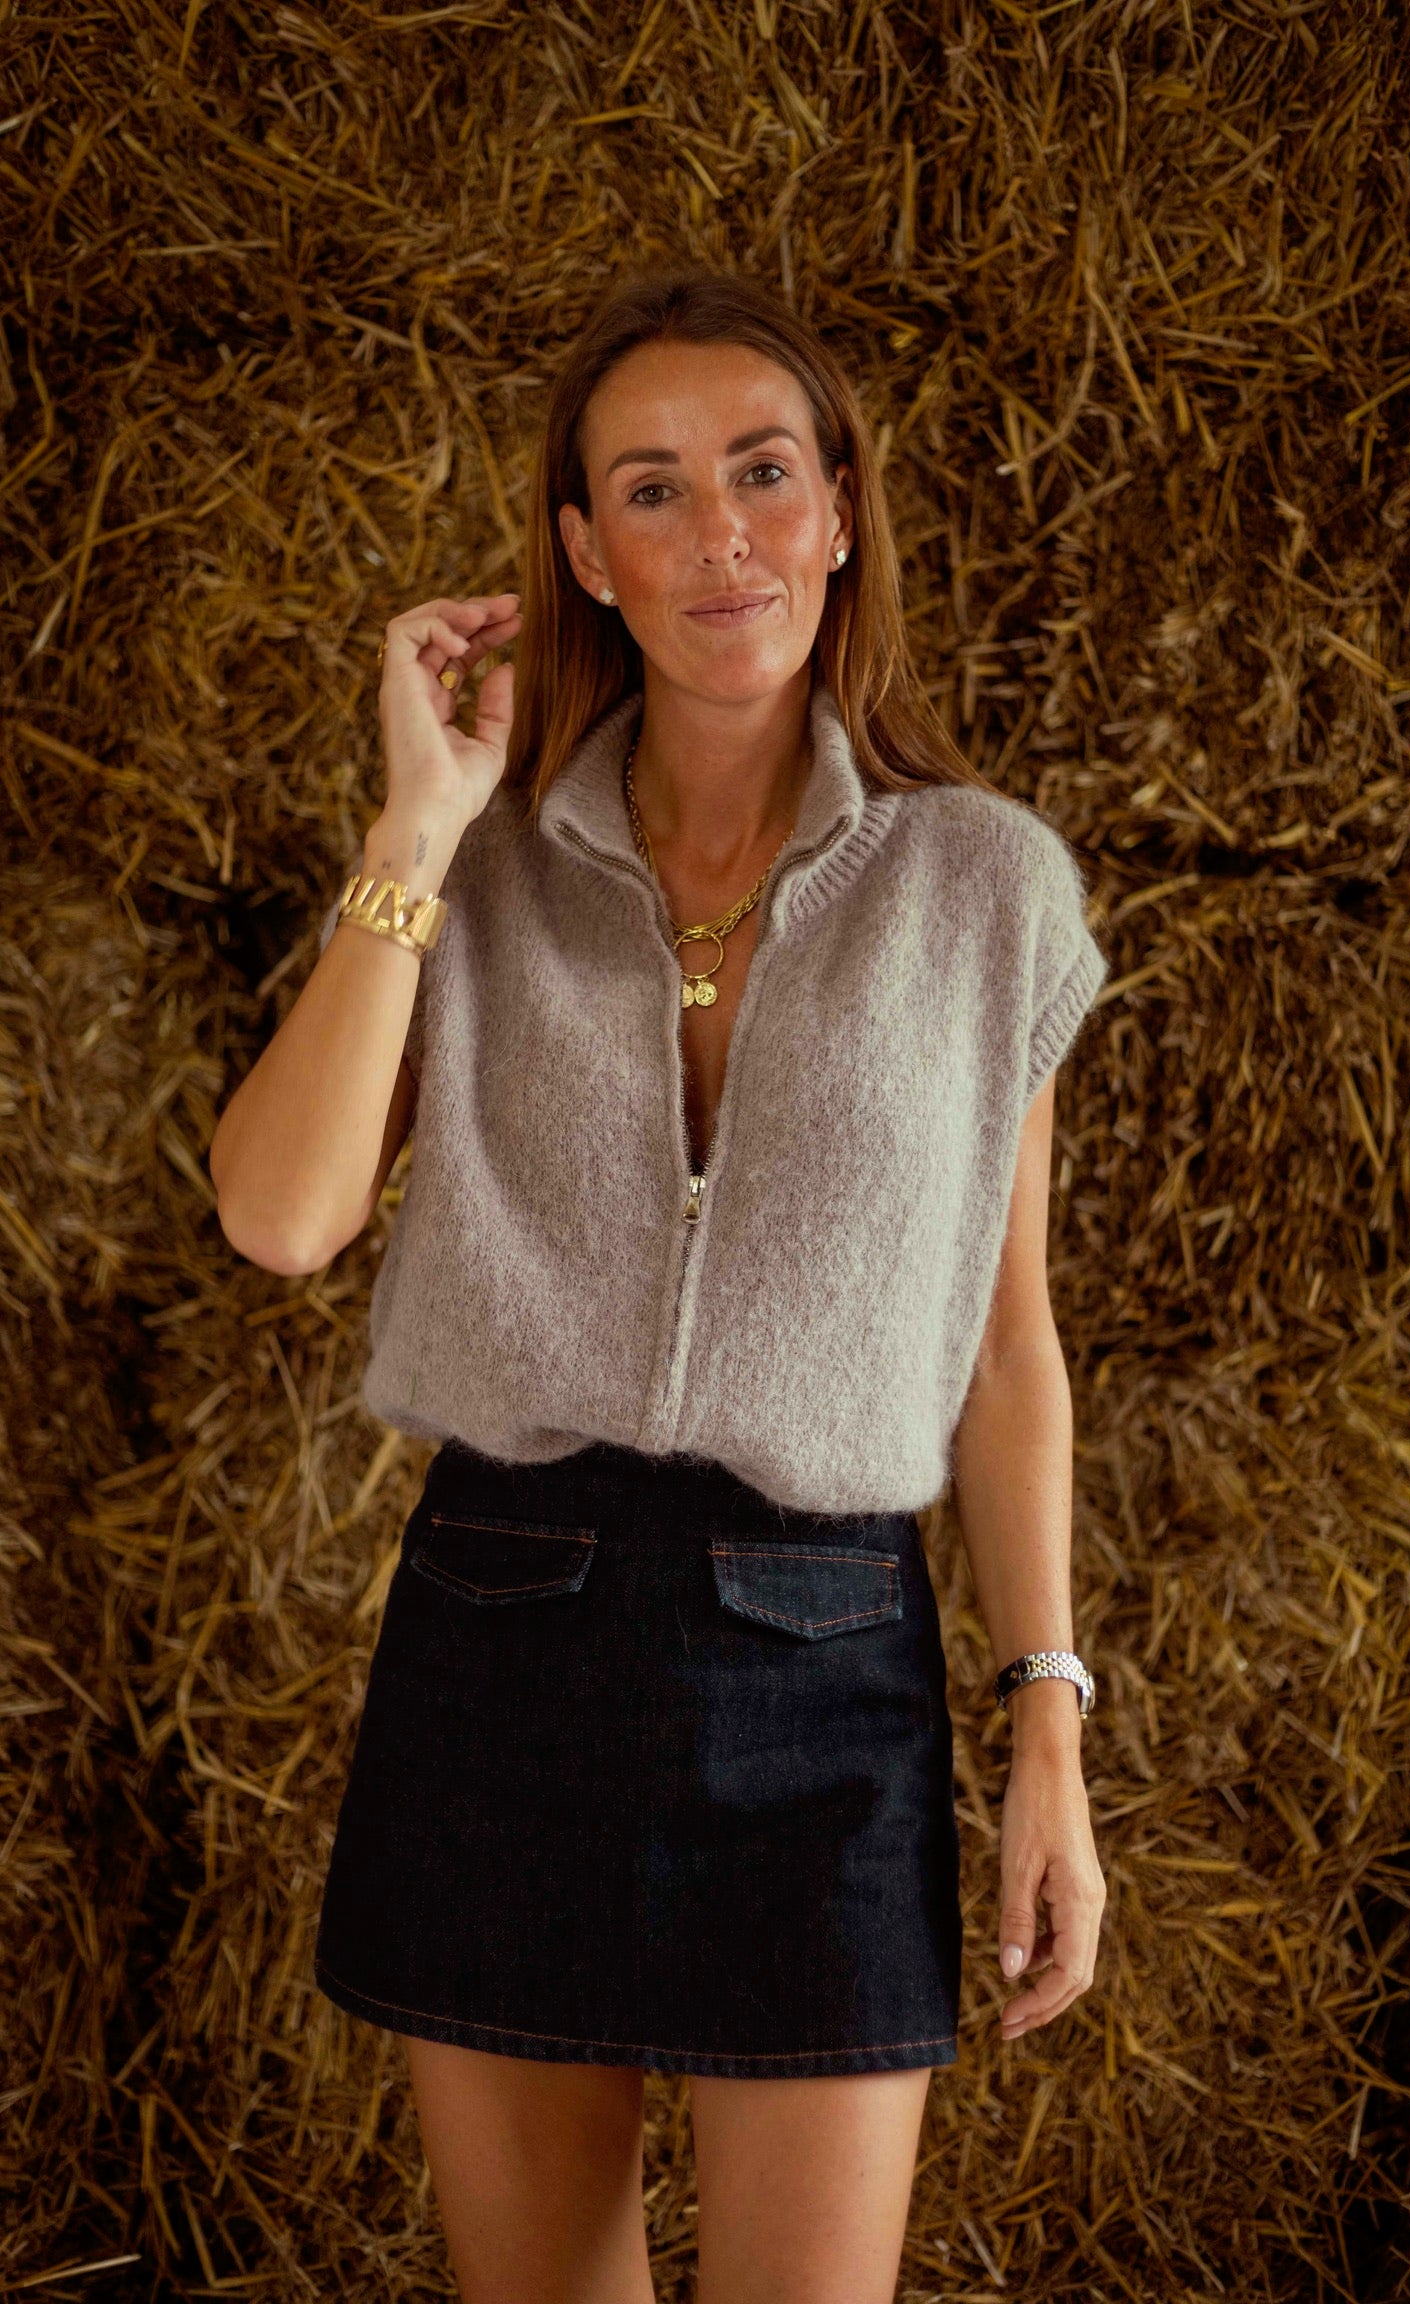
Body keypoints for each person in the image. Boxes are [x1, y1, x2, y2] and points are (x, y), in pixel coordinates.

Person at [209, 266, 1108, 2304]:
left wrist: (1047, 1729)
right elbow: (280, 1214)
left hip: (832, 1661)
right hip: (502, 1634)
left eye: (765, 473)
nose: (721, 533)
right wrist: (416, 826)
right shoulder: (480, 867)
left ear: (842, 513)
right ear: (583, 553)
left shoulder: (988, 888)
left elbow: (1005, 1350)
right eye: (652, 489)